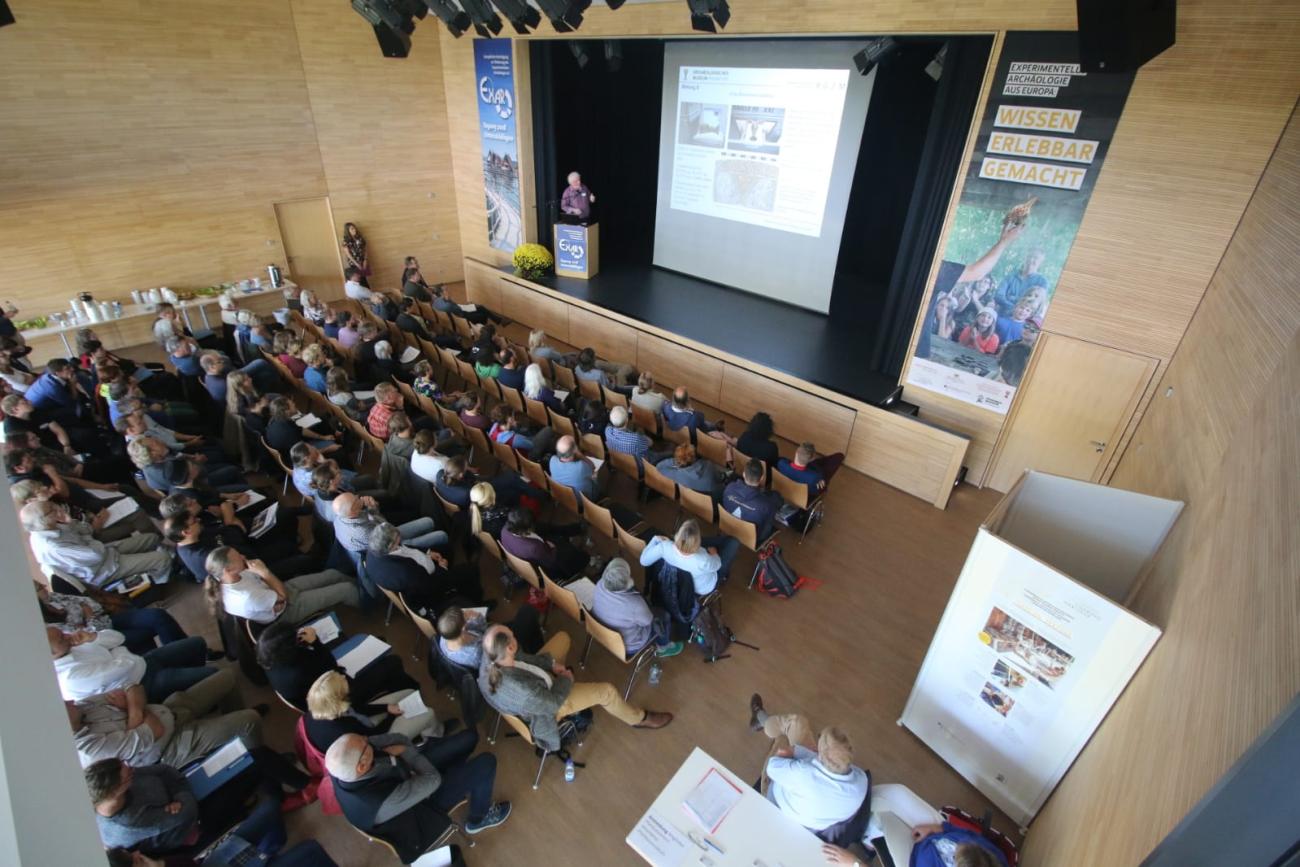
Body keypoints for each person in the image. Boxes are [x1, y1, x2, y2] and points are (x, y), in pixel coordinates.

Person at [479, 624, 672, 754]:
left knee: (563, 638)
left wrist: (552, 664)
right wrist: (565, 679)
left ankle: (560, 675)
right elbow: (553, 703)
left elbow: (523, 659)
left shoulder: (492, 655)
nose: (515, 635)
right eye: (512, 636)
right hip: (548, 707)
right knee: (607, 692)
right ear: (509, 648)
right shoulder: (523, 692)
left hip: (537, 685)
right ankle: (638, 719)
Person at [325, 731, 512, 852]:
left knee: (470, 737)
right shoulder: (379, 801)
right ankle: (479, 818)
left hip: (406, 772)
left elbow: (399, 737)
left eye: (363, 737)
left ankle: (459, 775)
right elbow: (433, 780)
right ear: (362, 766)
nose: (368, 739)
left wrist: (403, 751)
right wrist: (406, 752)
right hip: (423, 808)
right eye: (366, 743)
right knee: (487, 761)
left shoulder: (341, 767)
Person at [68, 670, 261, 769]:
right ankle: (260, 765)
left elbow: (132, 686)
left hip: (169, 710)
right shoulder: (89, 750)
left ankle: (238, 738)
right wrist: (131, 708)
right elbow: (156, 730)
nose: (69, 700)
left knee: (228, 676)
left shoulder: (82, 704)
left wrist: (134, 714)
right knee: (250, 719)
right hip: (171, 746)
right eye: (65, 706)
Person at [748, 694, 870, 835]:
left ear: (820, 753)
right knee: (797, 729)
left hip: (776, 805)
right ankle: (763, 720)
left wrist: (792, 751)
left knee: (788, 731)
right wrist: (803, 752)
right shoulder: (861, 782)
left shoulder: (803, 773)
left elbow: (772, 766)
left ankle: (761, 718)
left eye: (820, 737)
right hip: (807, 830)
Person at [256, 619, 418, 714]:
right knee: (393, 662)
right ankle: (409, 690)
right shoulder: (300, 668)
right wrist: (315, 642)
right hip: (340, 696)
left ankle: (395, 684)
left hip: (317, 692)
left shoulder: (269, 660)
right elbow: (330, 665)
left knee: (378, 642)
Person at [21, 499, 173, 587]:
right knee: (162, 558)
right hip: (101, 569)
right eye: (52, 509)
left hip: (105, 553)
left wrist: (70, 522)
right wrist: (88, 539)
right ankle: (160, 583)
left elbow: (87, 529)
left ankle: (162, 564)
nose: (57, 508)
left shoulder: (53, 525)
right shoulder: (52, 546)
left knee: (151, 538)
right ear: (45, 520)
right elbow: (95, 555)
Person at [48, 625, 216, 704]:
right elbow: (124, 666)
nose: (68, 636)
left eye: (63, 632)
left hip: (144, 662)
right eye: (62, 638)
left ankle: (201, 694)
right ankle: (204, 696)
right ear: (51, 655)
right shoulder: (70, 678)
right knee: (213, 674)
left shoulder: (72, 646)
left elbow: (119, 639)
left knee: (197, 643)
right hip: (143, 685)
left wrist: (93, 637)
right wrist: (118, 651)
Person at [205, 546, 359, 626]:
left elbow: (270, 587)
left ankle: (362, 585)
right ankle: (368, 601)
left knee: (332, 574)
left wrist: (269, 581)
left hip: (278, 591)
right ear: (228, 570)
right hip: (287, 611)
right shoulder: (247, 597)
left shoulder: (232, 576)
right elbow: (282, 598)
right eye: (238, 557)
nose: (243, 556)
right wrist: (265, 572)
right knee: (346, 589)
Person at [304, 670, 443, 753]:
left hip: (362, 724)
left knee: (409, 692)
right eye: (341, 680)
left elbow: (356, 708)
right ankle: (435, 739)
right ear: (338, 698)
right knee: (429, 713)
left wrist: (386, 707)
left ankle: (423, 727)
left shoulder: (322, 707)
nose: (344, 677)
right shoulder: (343, 728)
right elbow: (375, 735)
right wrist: (391, 716)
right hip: (374, 741)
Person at [365, 521, 485, 615]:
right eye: (397, 538)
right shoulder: (405, 572)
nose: (400, 536)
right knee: (471, 570)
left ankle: (454, 585)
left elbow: (405, 548)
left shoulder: (373, 549)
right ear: (391, 546)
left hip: (421, 573)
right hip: (430, 584)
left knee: (447, 549)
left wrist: (428, 552)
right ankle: (478, 603)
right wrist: (443, 568)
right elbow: (429, 585)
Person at [36, 581, 186, 654]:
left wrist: (88, 617)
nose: (44, 586)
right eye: (39, 588)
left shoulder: (53, 597)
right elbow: (83, 637)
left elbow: (89, 602)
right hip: (101, 640)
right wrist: (88, 615)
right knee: (146, 633)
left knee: (157, 616)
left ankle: (185, 652)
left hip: (107, 620)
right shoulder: (46, 627)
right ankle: (179, 657)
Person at [87, 758, 200, 852]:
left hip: (180, 792)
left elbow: (164, 769)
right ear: (116, 792)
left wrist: (176, 793)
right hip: (180, 829)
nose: (132, 770)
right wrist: (178, 788)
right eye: (128, 775)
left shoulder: (124, 773)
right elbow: (188, 810)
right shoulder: (130, 823)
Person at [592, 558, 684, 657]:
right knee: (664, 616)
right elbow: (648, 621)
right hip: (628, 646)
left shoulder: (600, 583)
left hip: (601, 632)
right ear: (628, 582)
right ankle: (663, 646)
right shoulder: (635, 604)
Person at [639, 519, 739, 596]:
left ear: (678, 535)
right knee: (733, 542)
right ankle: (724, 574)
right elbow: (717, 565)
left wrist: (655, 539)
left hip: (676, 583)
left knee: (725, 542)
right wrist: (715, 554)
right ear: (697, 542)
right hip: (701, 589)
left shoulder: (664, 547)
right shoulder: (703, 559)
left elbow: (643, 561)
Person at [331, 491, 447, 556]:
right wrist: (373, 507)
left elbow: (379, 523)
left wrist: (372, 508)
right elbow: (386, 528)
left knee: (429, 521)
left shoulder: (340, 517)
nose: (359, 497)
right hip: (391, 547)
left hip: (387, 534)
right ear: (353, 510)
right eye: (356, 499)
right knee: (442, 535)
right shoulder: (363, 532)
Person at [435, 604, 543, 671]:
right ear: (463, 627)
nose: (466, 613)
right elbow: (485, 629)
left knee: (526, 621)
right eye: (464, 615)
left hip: (491, 636)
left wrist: (474, 619)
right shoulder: (476, 652)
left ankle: (535, 642)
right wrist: (477, 617)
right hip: (500, 647)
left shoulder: (446, 635)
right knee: (528, 611)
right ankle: (535, 649)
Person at [499, 506, 591, 580]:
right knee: (565, 550)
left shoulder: (505, 529)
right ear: (526, 529)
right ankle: (585, 559)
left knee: (548, 528)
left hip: (532, 547)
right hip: (546, 559)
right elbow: (550, 561)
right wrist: (553, 547)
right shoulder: (534, 548)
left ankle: (577, 528)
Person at [723, 459, 784, 539]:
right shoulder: (766, 504)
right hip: (752, 537)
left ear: (744, 474)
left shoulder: (729, 487)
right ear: (762, 478)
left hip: (729, 525)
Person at [265, 395, 339, 459]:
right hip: (296, 456)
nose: (294, 404)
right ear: (287, 412)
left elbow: (300, 430)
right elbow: (306, 455)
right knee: (338, 451)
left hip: (294, 446)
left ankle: (336, 435)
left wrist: (323, 437)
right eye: (292, 404)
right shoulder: (289, 433)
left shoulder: (276, 420)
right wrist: (328, 449)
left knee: (321, 421)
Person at [776, 441, 846, 502]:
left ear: (796, 453)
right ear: (811, 459)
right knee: (838, 457)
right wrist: (820, 478)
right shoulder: (814, 477)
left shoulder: (781, 463)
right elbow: (818, 489)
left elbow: (785, 461)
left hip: (786, 490)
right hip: (805, 497)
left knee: (821, 462)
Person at [656, 443, 727, 499]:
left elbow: (659, 466)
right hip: (714, 498)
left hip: (694, 503)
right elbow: (720, 478)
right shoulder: (709, 465)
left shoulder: (677, 475)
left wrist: (677, 461)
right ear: (694, 456)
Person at [991, 248, 1047, 316]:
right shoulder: (1010, 276)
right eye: (1029, 256)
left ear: (1041, 262)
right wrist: (1016, 308)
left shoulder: (1042, 282)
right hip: (1002, 315)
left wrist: (1011, 300)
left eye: (1035, 258)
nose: (1031, 259)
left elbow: (1037, 305)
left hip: (1023, 319)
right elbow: (998, 296)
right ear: (1025, 257)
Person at [662, 387, 727, 438]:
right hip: (696, 436)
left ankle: (716, 426)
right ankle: (717, 428)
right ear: (687, 402)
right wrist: (691, 410)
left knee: (706, 423)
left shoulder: (666, 407)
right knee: (708, 425)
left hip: (677, 433)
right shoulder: (694, 417)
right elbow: (701, 418)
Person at [548, 434, 599, 499]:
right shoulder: (581, 466)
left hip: (564, 497)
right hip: (585, 500)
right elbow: (593, 467)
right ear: (575, 450)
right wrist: (580, 455)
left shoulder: (552, 460)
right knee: (597, 475)